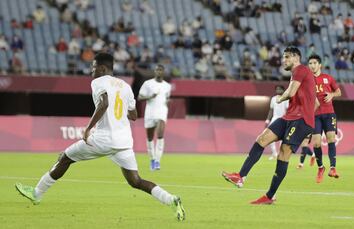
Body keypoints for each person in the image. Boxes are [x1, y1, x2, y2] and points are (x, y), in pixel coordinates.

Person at [15, 53, 185, 221]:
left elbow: (104, 103)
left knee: (65, 158)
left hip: (103, 139)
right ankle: (171, 199)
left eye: (94, 67)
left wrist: (88, 128)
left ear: (103, 68)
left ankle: (37, 193)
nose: (91, 70)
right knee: (136, 180)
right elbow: (133, 116)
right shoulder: (125, 86)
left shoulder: (97, 82)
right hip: (123, 142)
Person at [222, 46, 318, 204]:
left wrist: (282, 99)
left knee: (283, 153)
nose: (283, 60)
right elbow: (315, 102)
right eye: (283, 57)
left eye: (286, 57)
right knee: (262, 139)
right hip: (289, 117)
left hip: (301, 121)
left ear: (296, 57)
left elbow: (291, 93)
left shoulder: (300, 69)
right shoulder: (301, 75)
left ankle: (270, 196)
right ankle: (240, 176)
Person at [307, 54, 341, 183]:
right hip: (315, 115)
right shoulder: (306, 80)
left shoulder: (328, 78)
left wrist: (332, 94)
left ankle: (333, 168)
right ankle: (321, 167)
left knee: (331, 138)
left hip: (329, 113)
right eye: (310, 63)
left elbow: (339, 92)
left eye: (314, 63)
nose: (312, 65)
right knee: (316, 143)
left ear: (320, 65)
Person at [138, 65, 171, 171]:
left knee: (160, 135)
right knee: (150, 138)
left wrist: (168, 103)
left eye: (160, 70)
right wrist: (150, 97)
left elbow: (166, 98)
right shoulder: (148, 84)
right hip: (150, 113)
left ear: (163, 72)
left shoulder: (167, 86)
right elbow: (139, 97)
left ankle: (157, 161)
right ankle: (152, 159)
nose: (158, 72)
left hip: (162, 112)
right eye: (157, 70)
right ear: (154, 71)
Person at [265, 85, 289, 160]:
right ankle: (274, 153)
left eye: (280, 89)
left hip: (283, 119)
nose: (278, 91)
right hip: (274, 119)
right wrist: (268, 119)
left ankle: (280, 154)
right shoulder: (273, 99)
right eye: (277, 89)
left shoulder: (286, 99)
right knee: (270, 136)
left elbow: (287, 110)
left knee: (282, 138)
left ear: (283, 90)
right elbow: (271, 109)